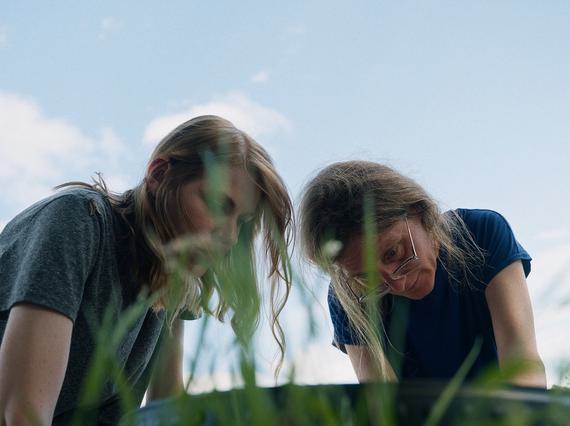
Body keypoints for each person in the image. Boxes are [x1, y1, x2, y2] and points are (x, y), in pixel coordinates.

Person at [0, 115, 293, 425]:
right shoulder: (78, 221)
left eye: (243, 222)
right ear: (159, 173)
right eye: (218, 205)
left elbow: (166, 411)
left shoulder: (175, 278)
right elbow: (20, 415)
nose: (230, 236)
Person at [299, 160, 546, 387]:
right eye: (370, 278)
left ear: (420, 212)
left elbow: (522, 367)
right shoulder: (348, 295)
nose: (397, 283)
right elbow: (382, 408)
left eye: (393, 253)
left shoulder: (482, 234)